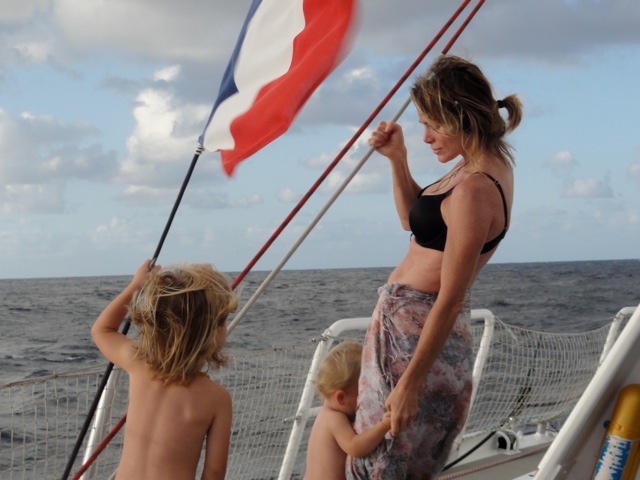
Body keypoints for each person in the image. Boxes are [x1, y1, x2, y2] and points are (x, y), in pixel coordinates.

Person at [346, 55, 523, 479]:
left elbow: (451, 296)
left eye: (433, 125)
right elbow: (412, 222)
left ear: (462, 115)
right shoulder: (473, 169)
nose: (425, 137)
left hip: (417, 341)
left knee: (384, 461)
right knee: (394, 460)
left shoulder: (474, 188)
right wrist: (397, 158)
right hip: (411, 332)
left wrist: (409, 384)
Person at [92, 259, 238, 480]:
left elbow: (102, 330)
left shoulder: (139, 364)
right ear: (211, 331)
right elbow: (214, 472)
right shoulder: (217, 398)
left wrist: (136, 285)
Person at [305, 341, 391, 480]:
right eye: (362, 393)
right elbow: (355, 447)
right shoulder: (334, 419)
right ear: (341, 398)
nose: (366, 399)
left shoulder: (325, 415)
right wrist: (384, 425)